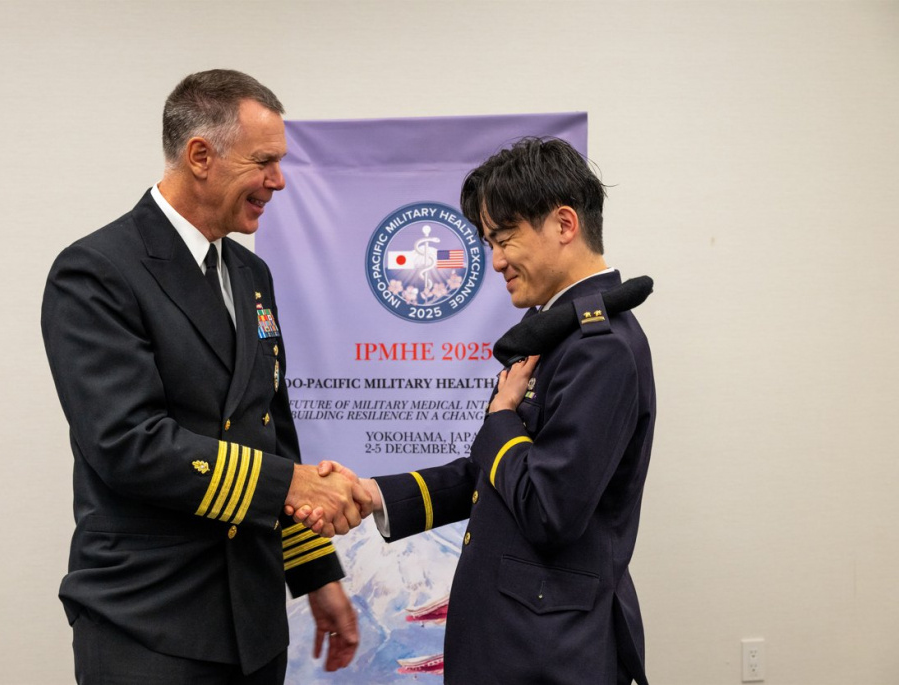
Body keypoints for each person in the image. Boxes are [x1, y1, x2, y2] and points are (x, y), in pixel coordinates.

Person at [41, 69, 370, 685]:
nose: (278, 180)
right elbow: (128, 444)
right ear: (200, 156)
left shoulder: (250, 274)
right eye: (264, 162)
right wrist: (291, 484)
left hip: (253, 622)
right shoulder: (97, 271)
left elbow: (270, 430)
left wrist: (315, 574)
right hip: (150, 621)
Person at [295, 137, 657, 685]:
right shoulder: (558, 333)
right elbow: (489, 475)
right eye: (490, 242)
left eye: (505, 238)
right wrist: (373, 495)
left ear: (564, 224)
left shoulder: (599, 348)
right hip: (518, 644)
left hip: (549, 657)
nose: (496, 261)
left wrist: (503, 417)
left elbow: (549, 511)